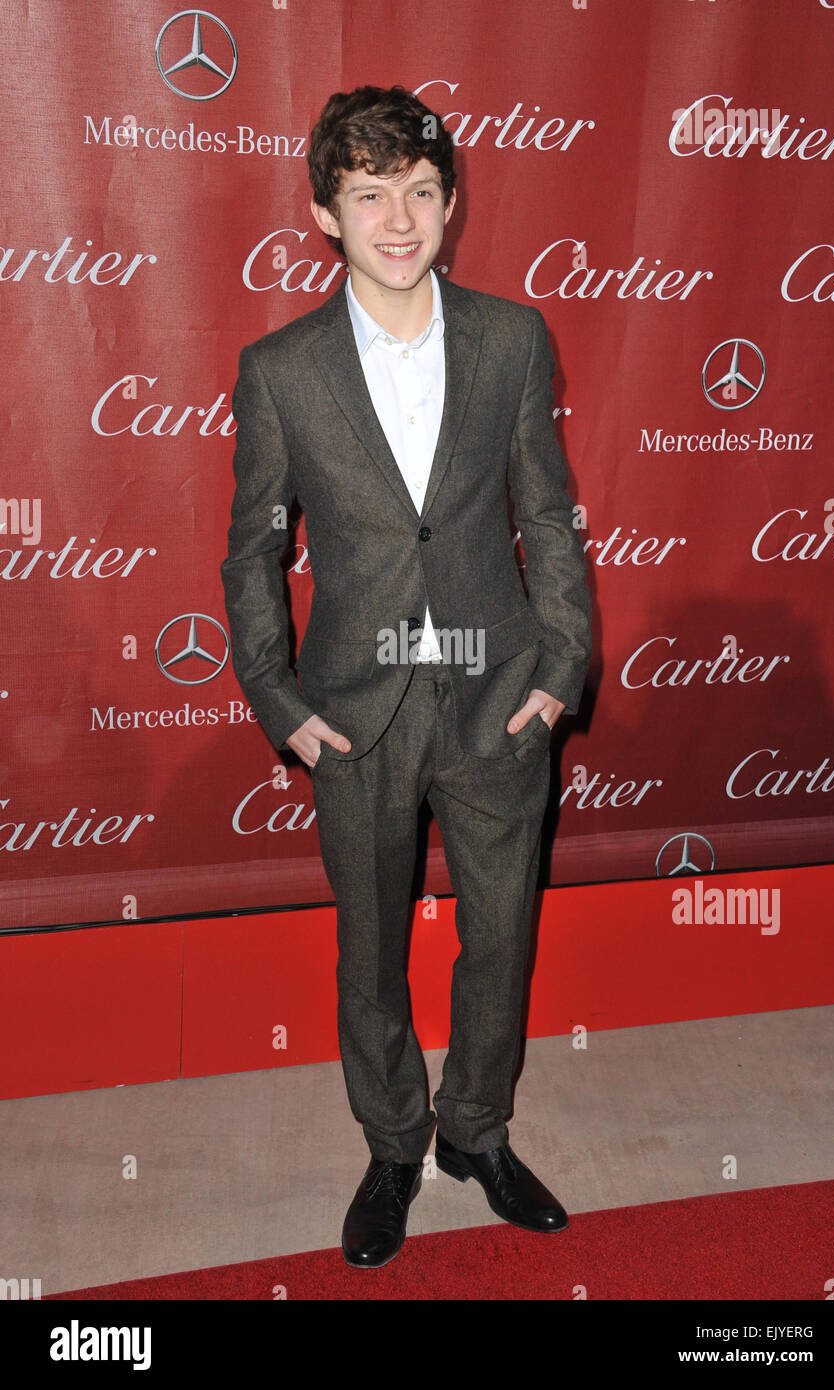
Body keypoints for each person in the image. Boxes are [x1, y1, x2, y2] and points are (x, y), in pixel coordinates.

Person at [221, 84, 592, 1269]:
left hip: (497, 697)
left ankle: (475, 1132)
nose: (398, 218)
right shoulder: (279, 369)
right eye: (368, 194)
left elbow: (547, 512)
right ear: (325, 213)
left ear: (451, 204)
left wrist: (561, 663)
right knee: (370, 948)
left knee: (500, 938)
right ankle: (392, 1144)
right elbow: (252, 550)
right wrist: (282, 705)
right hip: (356, 710)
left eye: (420, 191)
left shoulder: (511, 337)